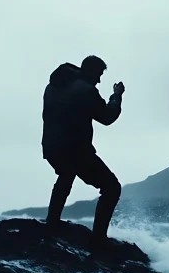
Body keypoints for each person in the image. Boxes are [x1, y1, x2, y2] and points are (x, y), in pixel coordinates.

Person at [41, 55, 125, 242]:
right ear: (91, 71)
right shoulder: (86, 91)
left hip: (51, 146)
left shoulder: (52, 86)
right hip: (75, 149)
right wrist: (116, 96)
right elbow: (106, 117)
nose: (99, 80)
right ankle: (99, 239)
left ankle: (52, 222)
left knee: (65, 175)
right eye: (99, 75)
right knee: (112, 188)